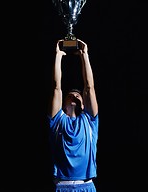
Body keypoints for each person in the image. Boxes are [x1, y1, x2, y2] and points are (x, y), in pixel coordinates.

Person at [47, 38, 99, 192]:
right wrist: (58, 55)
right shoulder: (57, 120)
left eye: (78, 95)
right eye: (71, 94)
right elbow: (57, 87)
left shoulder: (90, 121)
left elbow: (89, 87)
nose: (75, 95)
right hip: (62, 186)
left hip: (86, 185)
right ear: (63, 104)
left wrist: (85, 55)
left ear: (84, 105)